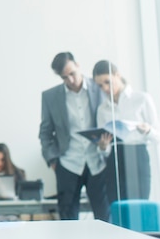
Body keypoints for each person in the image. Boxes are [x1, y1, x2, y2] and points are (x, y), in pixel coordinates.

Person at [39, 52, 110, 221]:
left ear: (78, 65)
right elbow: (45, 132)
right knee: (68, 219)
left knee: (105, 216)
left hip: (97, 162)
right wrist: (53, 161)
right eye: (64, 77)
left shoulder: (98, 88)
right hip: (68, 163)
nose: (70, 80)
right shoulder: (50, 96)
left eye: (72, 74)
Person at [92, 60, 160, 204]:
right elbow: (104, 150)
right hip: (114, 160)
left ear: (117, 75)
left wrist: (147, 130)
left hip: (137, 155)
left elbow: (158, 137)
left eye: (107, 82)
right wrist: (103, 147)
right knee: (117, 206)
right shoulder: (102, 109)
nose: (105, 88)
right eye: (100, 85)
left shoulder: (141, 99)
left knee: (140, 205)